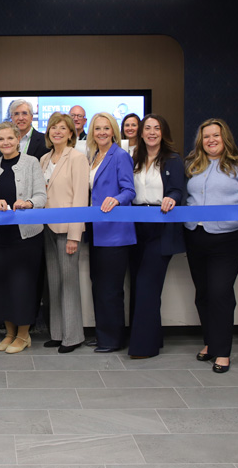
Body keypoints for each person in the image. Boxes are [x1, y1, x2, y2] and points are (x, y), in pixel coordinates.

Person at [184, 118, 238, 373]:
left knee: (220, 292)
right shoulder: (194, 164)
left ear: (225, 137)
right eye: (206, 136)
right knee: (203, 293)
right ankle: (210, 342)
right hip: (196, 235)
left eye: (215, 136)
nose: (211, 140)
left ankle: (223, 352)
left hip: (228, 238)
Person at [0, 122, 46, 354]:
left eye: (9, 138)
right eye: (1, 139)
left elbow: (41, 196)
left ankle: (24, 335)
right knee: (0, 285)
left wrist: (28, 203)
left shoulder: (32, 163)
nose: (5, 143)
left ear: (18, 140)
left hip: (25, 237)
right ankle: (9, 332)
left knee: (22, 285)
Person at [128, 114, 185, 359]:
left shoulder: (173, 160)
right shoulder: (133, 159)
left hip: (160, 227)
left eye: (157, 128)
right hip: (135, 227)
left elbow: (177, 189)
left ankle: (143, 348)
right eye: (147, 128)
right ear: (140, 133)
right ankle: (153, 338)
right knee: (139, 288)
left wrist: (172, 197)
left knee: (147, 287)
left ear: (163, 133)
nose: (152, 132)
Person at [85, 112, 136, 353]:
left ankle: (113, 339)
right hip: (96, 231)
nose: (102, 132)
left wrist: (115, 200)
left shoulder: (121, 156)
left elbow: (129, 190)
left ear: (113, 131)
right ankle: (103, 334)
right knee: (99, 285)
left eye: (106, 128)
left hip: (115, 233)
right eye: (97, 128)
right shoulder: (95, 156)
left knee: (111, 289)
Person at [39, 112, 89, 353]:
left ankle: (73, 336)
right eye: (53, 128)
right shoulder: (44, 159)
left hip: (68, 229)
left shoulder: (78, 158)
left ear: (71, 133)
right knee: (54, 282)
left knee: (69, 283)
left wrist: (74, 235)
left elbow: (80, 197)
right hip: (47, 227)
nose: (57, 131)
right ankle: (58, 333)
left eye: (62, 128)